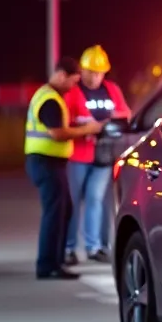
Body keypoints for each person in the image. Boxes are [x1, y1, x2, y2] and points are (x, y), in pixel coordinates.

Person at [25, 58, 105, 279]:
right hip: (46, 162)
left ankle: (55, 262)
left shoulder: (50, 96)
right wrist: (87, 129)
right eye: (73, 81)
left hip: (49, 163)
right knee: (55, 213)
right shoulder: (50, 99)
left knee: (63, 211)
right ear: (61, 75)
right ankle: (47, 266)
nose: (73, 86)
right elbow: (57, 133)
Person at [63, 45, 130, 264]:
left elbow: (126, 114)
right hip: (77, 154)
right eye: (91, 72)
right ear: (82, 71)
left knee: (96, 199)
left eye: (99, 72)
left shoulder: (111, 89)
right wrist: (85, 125)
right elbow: (65, 119)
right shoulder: (72, 91)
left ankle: (96, 247)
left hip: (103, 155)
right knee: (72, 201)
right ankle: (69, 248)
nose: (95, 77)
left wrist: (112, 119)